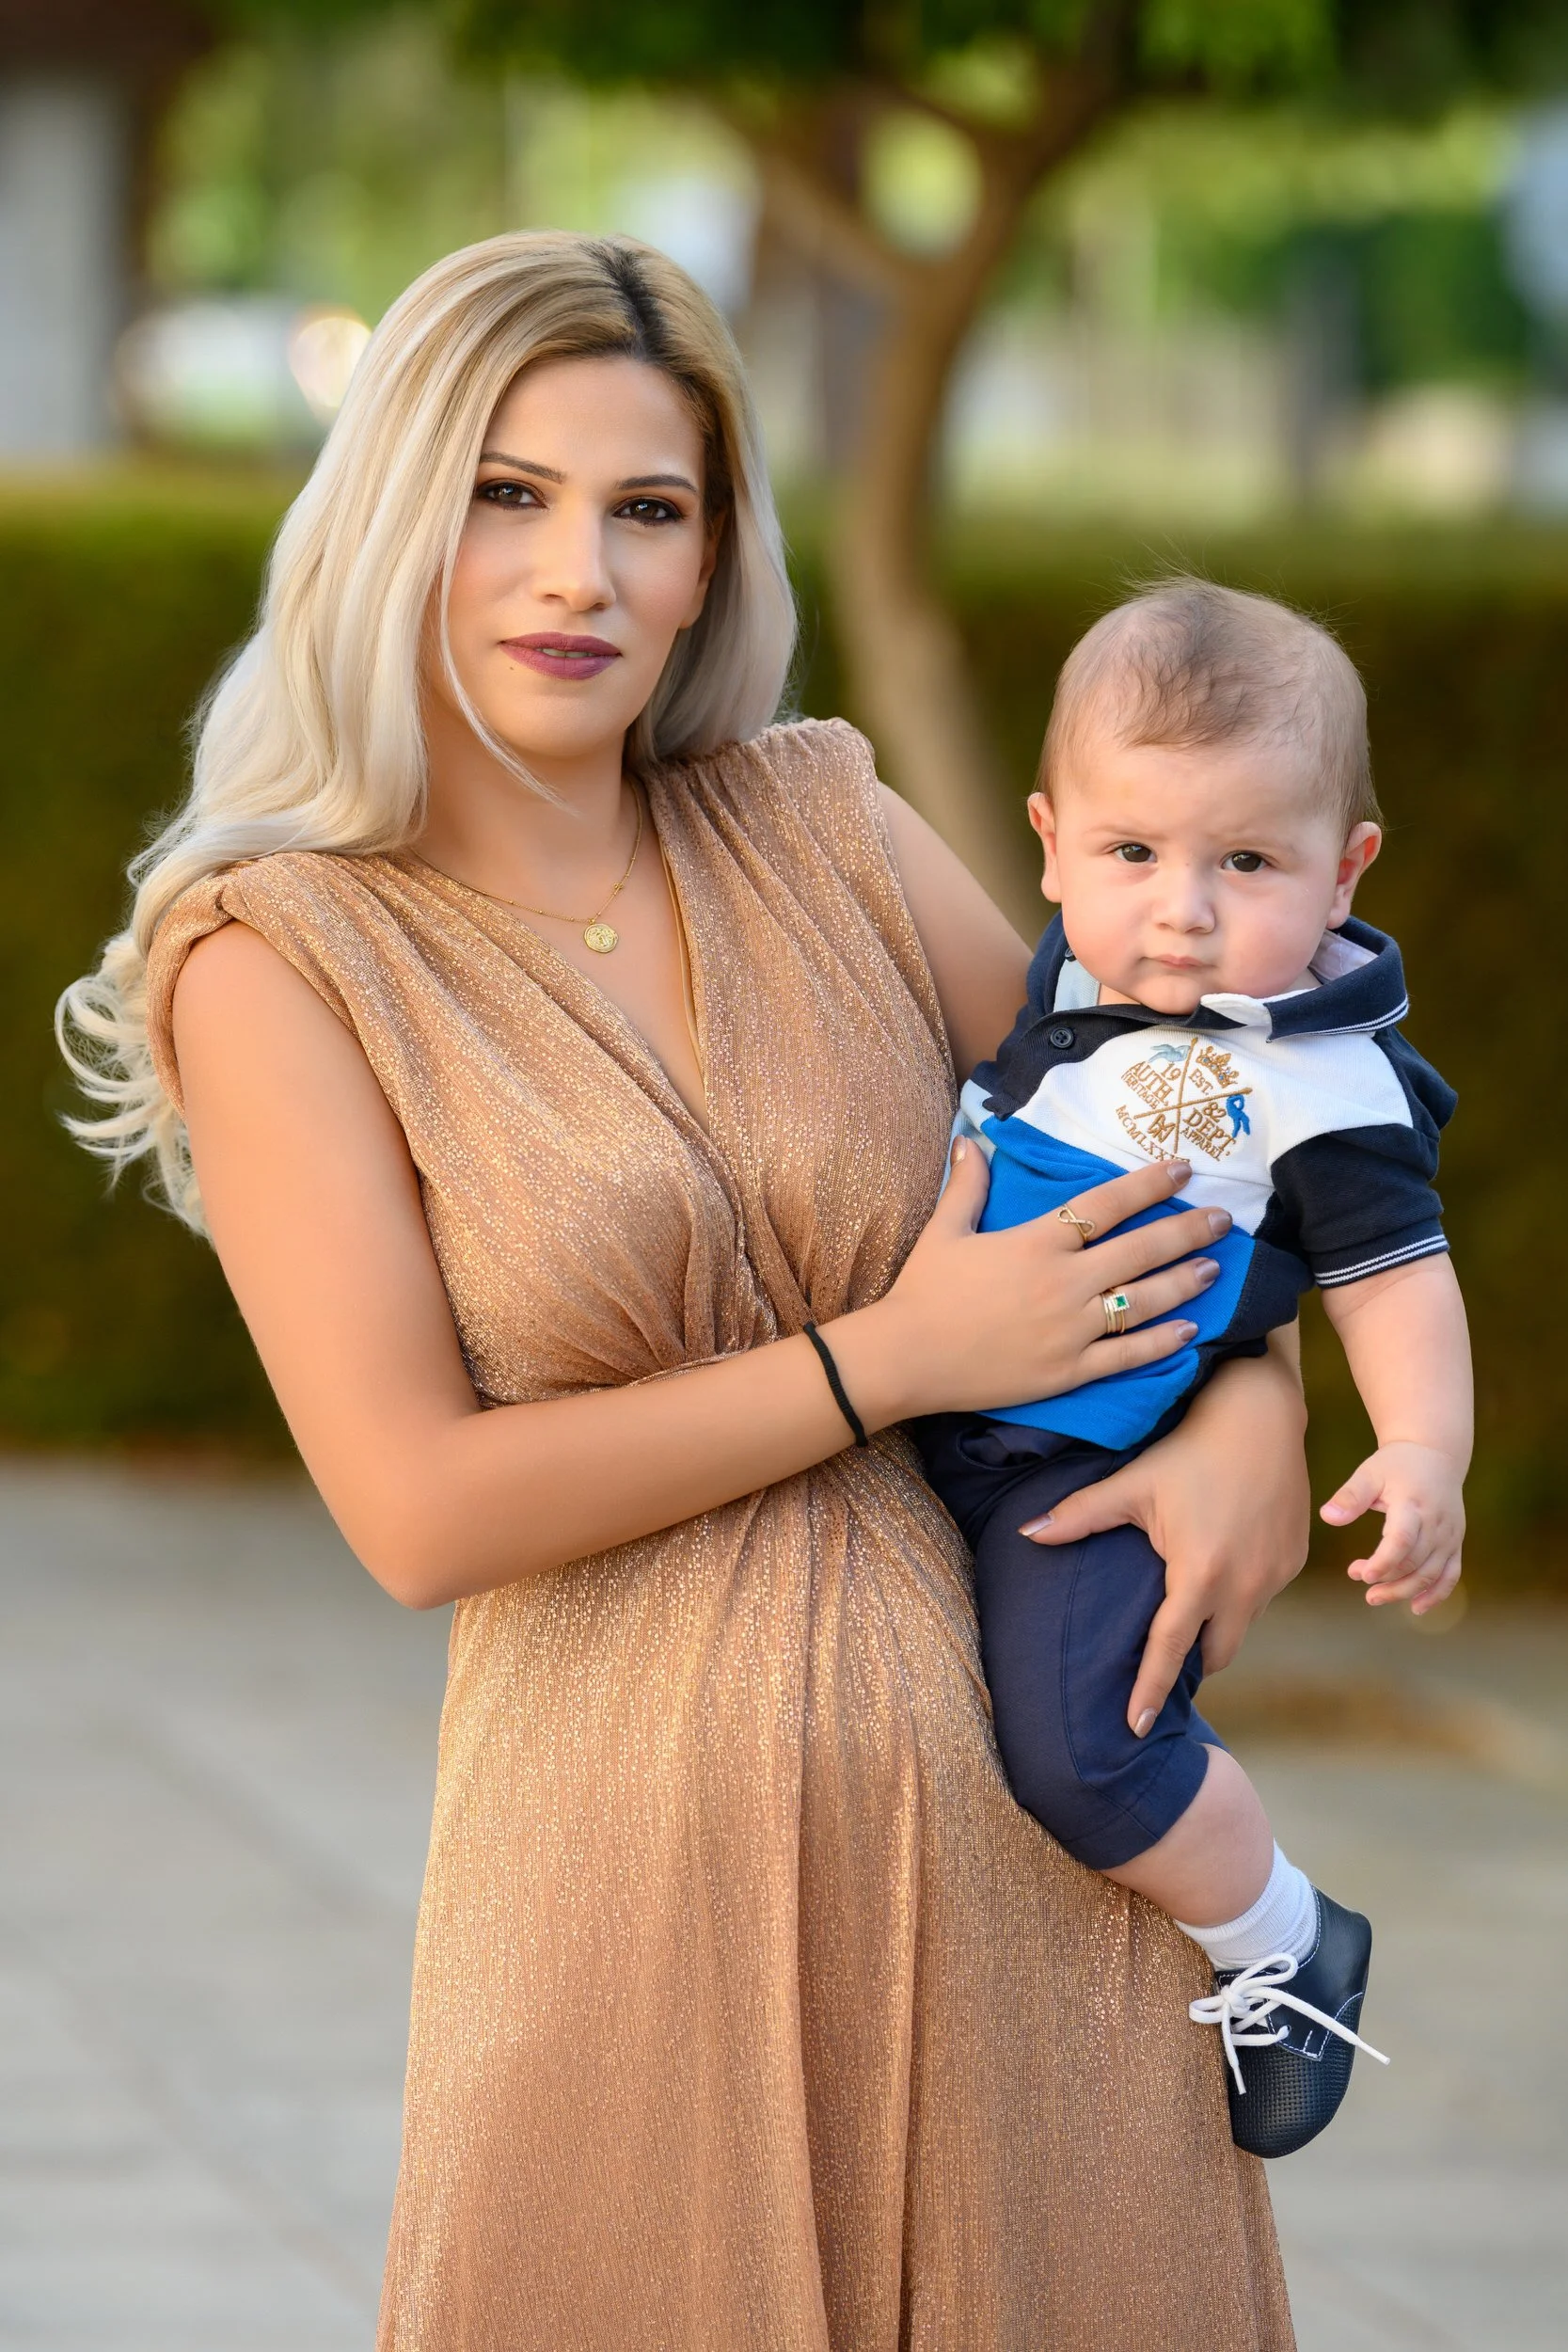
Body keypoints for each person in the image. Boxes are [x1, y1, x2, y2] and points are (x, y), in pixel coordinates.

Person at [59, 234, 1306, 2348]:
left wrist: (1254, 1415)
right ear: (392, 514)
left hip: (1041, 1880)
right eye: (506, 494)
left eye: (649, 509)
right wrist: (888, 1360)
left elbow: (1177, 1135)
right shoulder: (281, 956)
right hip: (630, 1897)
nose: (581, 576)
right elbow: (417, 1506)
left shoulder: (821, 816)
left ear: (719, 549)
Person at [918, 579, 1470, 2160]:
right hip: (943, 1419)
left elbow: (1396, 1288)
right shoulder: (1072, 981)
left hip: (1090, 1471)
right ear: (1047, 840)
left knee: (1086, 1753)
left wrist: (1420, 1454)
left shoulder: (1325, 1082)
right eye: (1132, 853)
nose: (1182, 909)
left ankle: (1283, 1940)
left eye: (1245, 862)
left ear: (1345, 864)